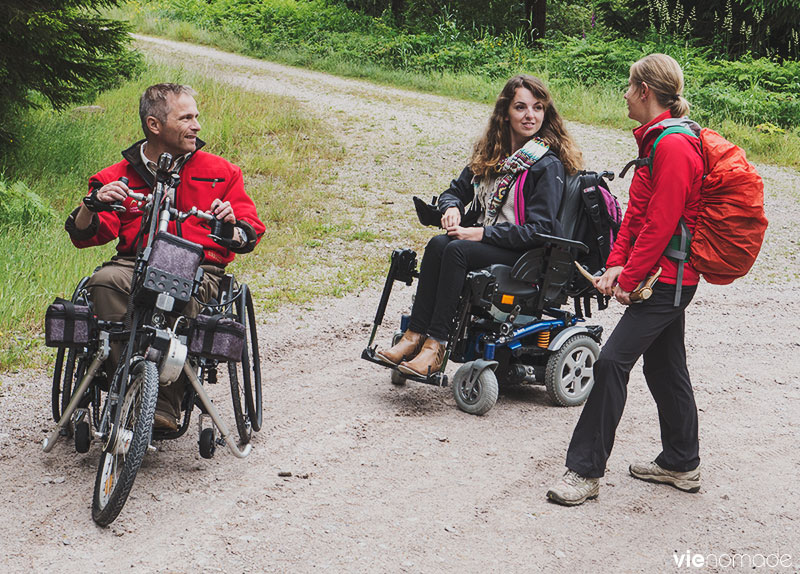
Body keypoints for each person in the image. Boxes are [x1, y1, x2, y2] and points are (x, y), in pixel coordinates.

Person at [546, 54, 704, 506]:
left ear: (645, 92)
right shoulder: (655, 141)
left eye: (628, 85)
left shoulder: (673, 146)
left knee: (612, 362)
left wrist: (628, 279)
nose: (624, 93)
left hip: (669, 280)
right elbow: (636, 216)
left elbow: (662, 223)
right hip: (660, 275)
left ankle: (583, 472)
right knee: (665, 365)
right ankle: (681, 463)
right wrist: (616, 264)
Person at [65, 83, 265, 431]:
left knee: (176, 292)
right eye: (186, 118)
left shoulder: (222, 172)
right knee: (103, 282)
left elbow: (250, 232)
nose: (197, 125)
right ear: (155, 125)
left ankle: (161, 401)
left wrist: (230, 226)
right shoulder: (117, 177)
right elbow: (85, 234)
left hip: (198, 267)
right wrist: (91, 204)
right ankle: (124, 385)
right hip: (133, 264)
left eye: (196, 117)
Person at [375, 74, 583, 377]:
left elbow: (539, 229)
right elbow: (454, 192)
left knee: (457, 250)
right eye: (521, 107)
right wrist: (451, 209)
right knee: (437, 243)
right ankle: (413, 337)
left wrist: (482, 232)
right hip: (489, 243)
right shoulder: (492, 155)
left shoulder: (545, 164)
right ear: (505, 112)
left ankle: (436, 346)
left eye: (538, 108)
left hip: (524, 252)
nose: (530, 116)